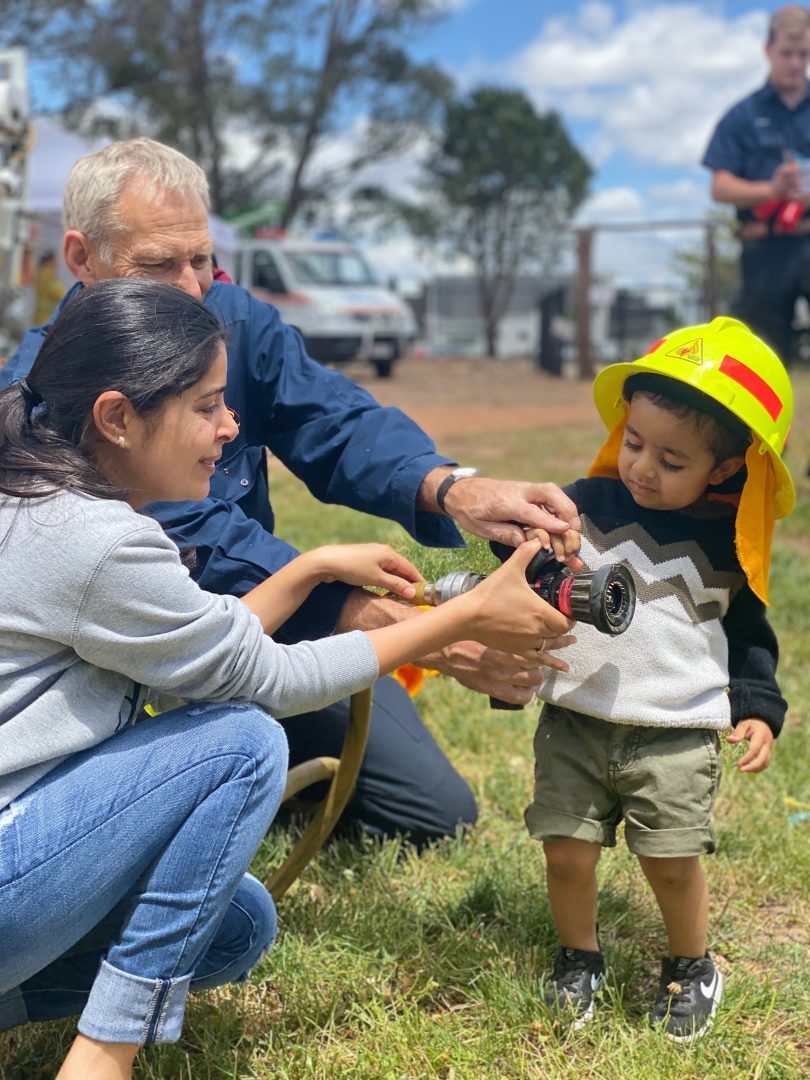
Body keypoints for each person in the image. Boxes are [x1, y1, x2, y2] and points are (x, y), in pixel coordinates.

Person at [0, 277, 572, 1080]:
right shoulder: (99, 542)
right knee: (241, 744)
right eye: (206, 407)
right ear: (117, 418)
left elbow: (209, 649)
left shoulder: (43, 494)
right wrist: (460, 619)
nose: (231, 429)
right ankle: (104, 1055)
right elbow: (260, 681)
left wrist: (308, 570)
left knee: (235, 925)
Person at [0, 137, 580, 847]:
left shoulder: (234, 318)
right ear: (81, 258)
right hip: (121, 676)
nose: (190, 288)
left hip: (259, 627)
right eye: (158, 265)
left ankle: (246, 793)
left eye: (202, 260)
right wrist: (435, 632)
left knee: (433, 813)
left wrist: (453, 489)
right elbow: (196, 537)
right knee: (203, 767)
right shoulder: (41, 388)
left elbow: (331, 417)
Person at [520, 318, 793, 1042]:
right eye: (634, 442)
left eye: (672, 460)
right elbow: (524, 536)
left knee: (670, 860)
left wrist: (759, 709)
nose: (643, 467)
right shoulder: (590, 504)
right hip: (576, 721)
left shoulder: (730, 542)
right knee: (568, 851)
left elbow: (751, 641)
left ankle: (691, 964)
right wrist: (521, 529)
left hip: (675, 733)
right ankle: (578, 955)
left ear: (726, 468)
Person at [702, 4, 810, 366]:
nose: (796, 62)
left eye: (804, 54)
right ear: (768, 51)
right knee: (761, 362)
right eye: (787, 53)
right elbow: (720, 187)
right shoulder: (743, 115)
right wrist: (770, 191)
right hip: (764, 248)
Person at [33, 250, 67, 326]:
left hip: (39, 316)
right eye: (54, 260)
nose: (56, 263)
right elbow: (57, 292)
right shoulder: (49, 274)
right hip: (47, 317)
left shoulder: (40, 272)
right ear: (50, 261)